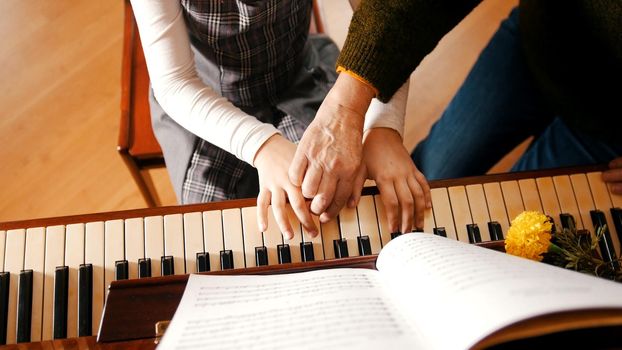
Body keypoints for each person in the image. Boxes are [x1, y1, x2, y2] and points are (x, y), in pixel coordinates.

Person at [291, 0, 622, 222]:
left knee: (511, 230)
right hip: (538, 43)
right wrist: (351, 106)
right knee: (424, 185)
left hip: (609, 129)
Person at [130, 0, 428, 239]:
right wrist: (262, 146)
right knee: (216, 234)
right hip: (207, 110)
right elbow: (175, 84)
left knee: (335, 212)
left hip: (297, 82)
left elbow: (386, 20)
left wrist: (383, 127)